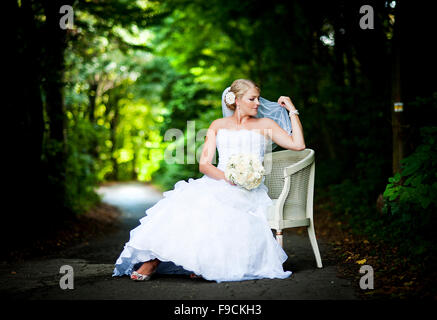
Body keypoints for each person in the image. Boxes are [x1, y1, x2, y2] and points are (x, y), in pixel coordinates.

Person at [112, 79, 305, 282]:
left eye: (258, 98)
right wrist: (229, 178)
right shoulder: (218, 125)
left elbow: (298, 145)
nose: (258, 103)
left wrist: (292, 110)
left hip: (249, 190)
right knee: (185, 202)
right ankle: (152, 261)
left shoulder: (266, 124)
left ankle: (202, 264)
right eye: (252, 98)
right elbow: (205, 165)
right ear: (236, 100)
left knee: (215, 207)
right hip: (219, 181)